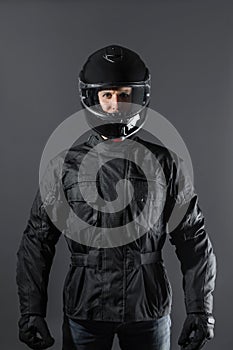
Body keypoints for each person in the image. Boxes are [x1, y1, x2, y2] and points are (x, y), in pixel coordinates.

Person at [16, 45, 216, 350]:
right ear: (92, 97)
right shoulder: (64, 166)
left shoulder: (165, 164)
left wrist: (201, 309)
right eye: (107, 95)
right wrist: (32, 311)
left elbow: (193, 239)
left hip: (147, 310)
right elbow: (37, 241)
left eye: (124, 95)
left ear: (138, 97)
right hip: (86, 309)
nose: (115, 105)